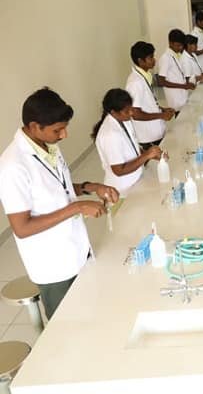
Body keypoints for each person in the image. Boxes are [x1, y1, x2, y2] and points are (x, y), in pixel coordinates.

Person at [0, 88, 119, 319]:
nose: (64, 135)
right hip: (54, 266)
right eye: (58, 130)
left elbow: (57, 188)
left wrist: (91, 187)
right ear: (35, 126)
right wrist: (77, 207)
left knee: (92, 316)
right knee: (68, 326)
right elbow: (21, 227)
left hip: (77, 250)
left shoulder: (48, 146)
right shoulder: (12, 166)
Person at [91, 89, 163, 196]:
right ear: (113, 112)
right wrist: (147, 155)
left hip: (137, 178)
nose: (131, 113)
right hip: (123, 188)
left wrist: (152, 155)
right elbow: (119, 170)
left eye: (131, 108)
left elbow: (133, 147)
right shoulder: (109, 134)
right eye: (126, 111)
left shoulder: (124, 120)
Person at [125, 41, 175, 151]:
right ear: (140, 61)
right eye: (150, 58)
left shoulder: (145, 76)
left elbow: (147, 103)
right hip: (148, 138)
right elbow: (135, 114)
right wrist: (161, 115)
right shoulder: (135, 83)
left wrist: (162, 109)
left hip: (155, 133)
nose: (154, 60)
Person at [157, 29, 196, 113]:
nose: (180, 48)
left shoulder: (176, 55)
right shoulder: (165, 58)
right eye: (178, 45)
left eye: (181, 45)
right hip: (175, 97)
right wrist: (183, 86)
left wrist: (187, 84)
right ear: (170, 43)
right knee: (180, 116)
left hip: (182, 95)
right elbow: (161, 81)